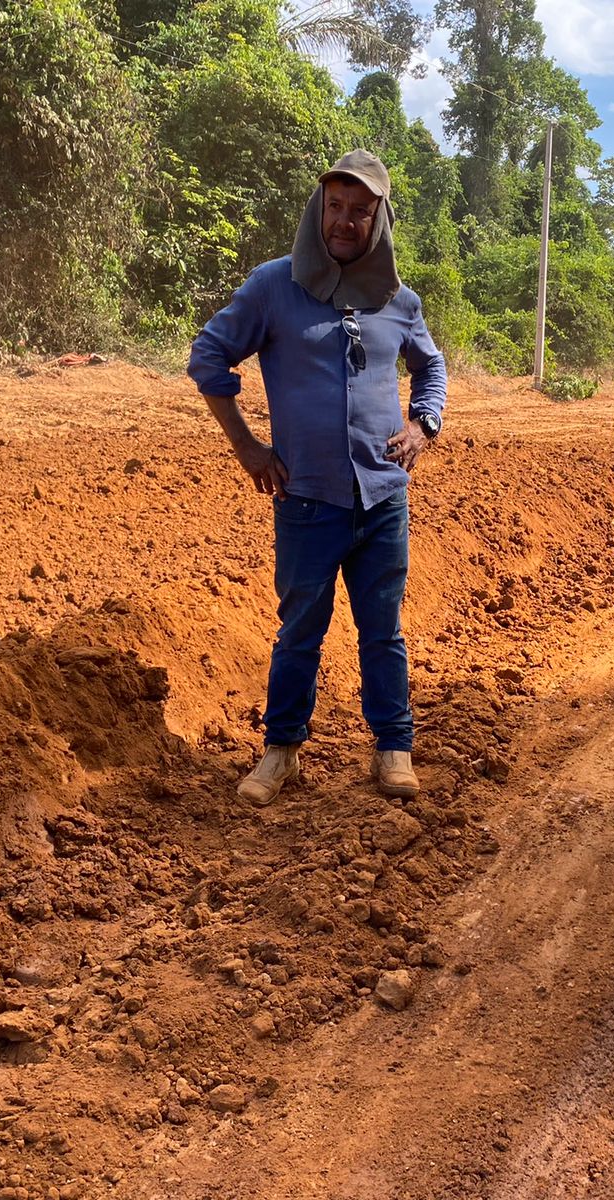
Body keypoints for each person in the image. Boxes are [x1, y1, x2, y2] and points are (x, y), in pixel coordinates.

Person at [188, 150, 446, 806]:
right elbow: (209, 356)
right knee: (300, 627)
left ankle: (393, 748)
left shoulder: (399, 299)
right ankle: (281, 752)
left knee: (382, 628)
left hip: (383, 496)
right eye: (335, 206)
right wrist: (247, 446)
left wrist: (424, 426)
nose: (345, 221)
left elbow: (431, 368)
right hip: (308, 499)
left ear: (379, 220)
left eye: (361, 211)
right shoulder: (274, 287)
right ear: (318, 209)